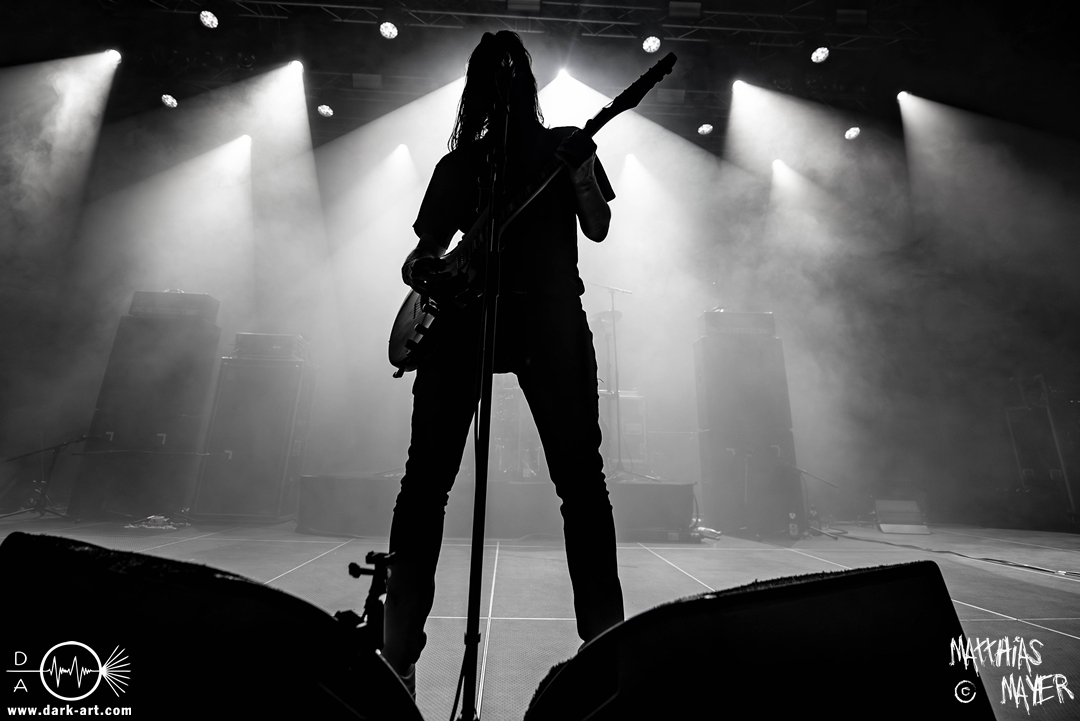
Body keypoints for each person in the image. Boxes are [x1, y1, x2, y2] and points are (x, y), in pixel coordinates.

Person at [382, 30, 625, 696]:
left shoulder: (568, 144)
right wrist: (428, 270)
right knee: (425, 483)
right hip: (466, 320)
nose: (504, 84)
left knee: (581, 482)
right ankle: (396, 654)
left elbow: (598, 225)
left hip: (549, 317)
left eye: (512, 74)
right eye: (494, 76)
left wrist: (580, 173)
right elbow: (421, 255)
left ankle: (606, 648)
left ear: (527, 85)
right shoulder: (460, 166)